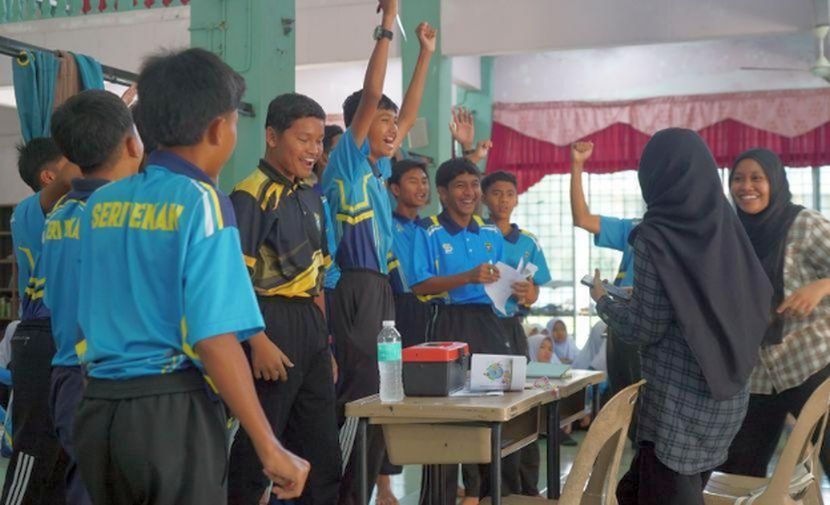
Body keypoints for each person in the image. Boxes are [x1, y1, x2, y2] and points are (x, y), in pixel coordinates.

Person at [73, 48, 309, 505]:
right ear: (219, 129)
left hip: (99, 410)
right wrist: (269, 445)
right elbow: (214, 336)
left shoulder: (100, 205)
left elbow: (85, 318)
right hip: (169, 412)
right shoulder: (201, 200)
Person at [591, 128, 772, 505]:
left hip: (678, 406)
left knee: (664, 490)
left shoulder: (655, 236)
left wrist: (603, 301)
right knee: (638, 490)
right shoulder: (724, 223)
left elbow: (644, 327)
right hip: (728, 395)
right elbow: (714, 295)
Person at [320, 1, 436, 500]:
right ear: (359, 125)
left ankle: (364, 490)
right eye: (381, 121)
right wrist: (387, 27)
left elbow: (408, 113)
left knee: (383, 391)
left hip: (381, 291)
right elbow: (371, 95)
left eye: (392, 123)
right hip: (351, 288)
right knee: (360, 395)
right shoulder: (346, 163)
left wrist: (425, 54)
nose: (392, 128)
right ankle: (344, 493)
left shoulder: (379, 169)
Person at [228, 93, 340, 505]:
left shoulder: (311, 195)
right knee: (259, 449)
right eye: (303, 139)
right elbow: (233, 279)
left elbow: (317, 279)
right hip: (268, 323)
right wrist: (256, 341)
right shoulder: (250, 194)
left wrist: (325, 345)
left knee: (321, 449)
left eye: (318, 141)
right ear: (272, 136)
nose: (313, 150)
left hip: (310, 326)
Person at [44, 89, 145, 505]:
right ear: (132, 144)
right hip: (103, 377)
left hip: (66, 374)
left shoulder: (58, 215)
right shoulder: (119, 217)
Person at [719, 149, 830, 478]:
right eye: (738, 179)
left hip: (809, 363)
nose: (746, 187)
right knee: (737, 471)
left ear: (775, 182)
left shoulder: (804, 224)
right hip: (755, 375)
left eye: (757, 178)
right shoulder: (730, 233)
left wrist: (820, 286)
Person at [411, 158, 514, 503]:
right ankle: (438, 497)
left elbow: (502, 281)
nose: (469, 192)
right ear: (442, 193)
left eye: (474, 184)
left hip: (488, 323)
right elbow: (419, 284)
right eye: (460, 186)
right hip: (446, 323)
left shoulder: (491, 233)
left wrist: (521, 289)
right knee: (447, 414)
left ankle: (482, 495)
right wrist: (467, 277)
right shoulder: (428, 230)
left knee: (489, 408)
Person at [3, 137, 79, 505]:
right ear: (48, 176)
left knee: (66, 456)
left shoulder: (78, 211)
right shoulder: (32, 209)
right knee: (33, 450)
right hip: (40, 335)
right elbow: (72, 175)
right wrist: (100, 135)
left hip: (66, 336)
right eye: (71, 160)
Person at [570, 141, 641, 400]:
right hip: (620, 323)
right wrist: (577, 165)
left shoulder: (689, 233)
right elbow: (582, 219)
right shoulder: (635, 228)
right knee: (621, 400)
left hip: (655, 333)